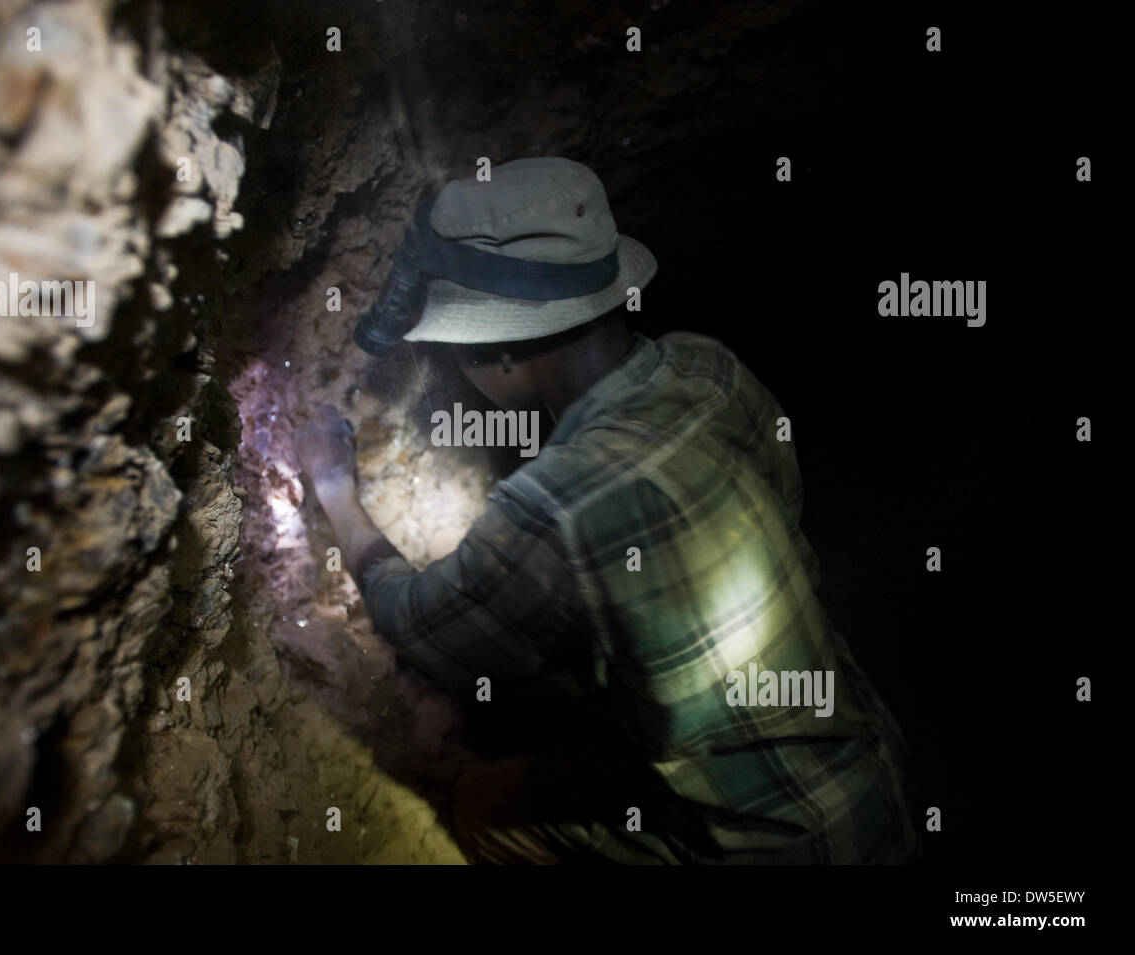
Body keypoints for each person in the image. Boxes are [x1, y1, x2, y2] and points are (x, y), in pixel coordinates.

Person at [293, 157, 921, 864]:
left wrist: (338, 494)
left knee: (484, 808)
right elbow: (783, 507)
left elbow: (425, 627)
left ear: (499, 354)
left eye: (460, 351)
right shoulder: (708, 369)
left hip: (773, 847)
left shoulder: (555, 503)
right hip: (878, 776)